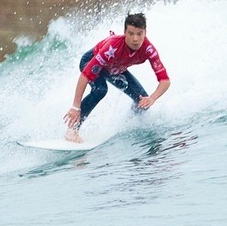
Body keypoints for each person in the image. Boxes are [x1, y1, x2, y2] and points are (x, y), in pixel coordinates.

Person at [63, 12, 170, 141]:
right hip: (90, 61)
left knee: (143, 101)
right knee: (100, 90)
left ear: (145, 33)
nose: (135, 39)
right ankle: (72, 130)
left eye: (139, 34)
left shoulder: (149, 50)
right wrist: (75, 107)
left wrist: (152, 98)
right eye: (131, 34)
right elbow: (84, 76)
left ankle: (130, 123)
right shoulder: (112, 46)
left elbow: (165, 81)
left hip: (115, 69)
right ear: (125, 33)